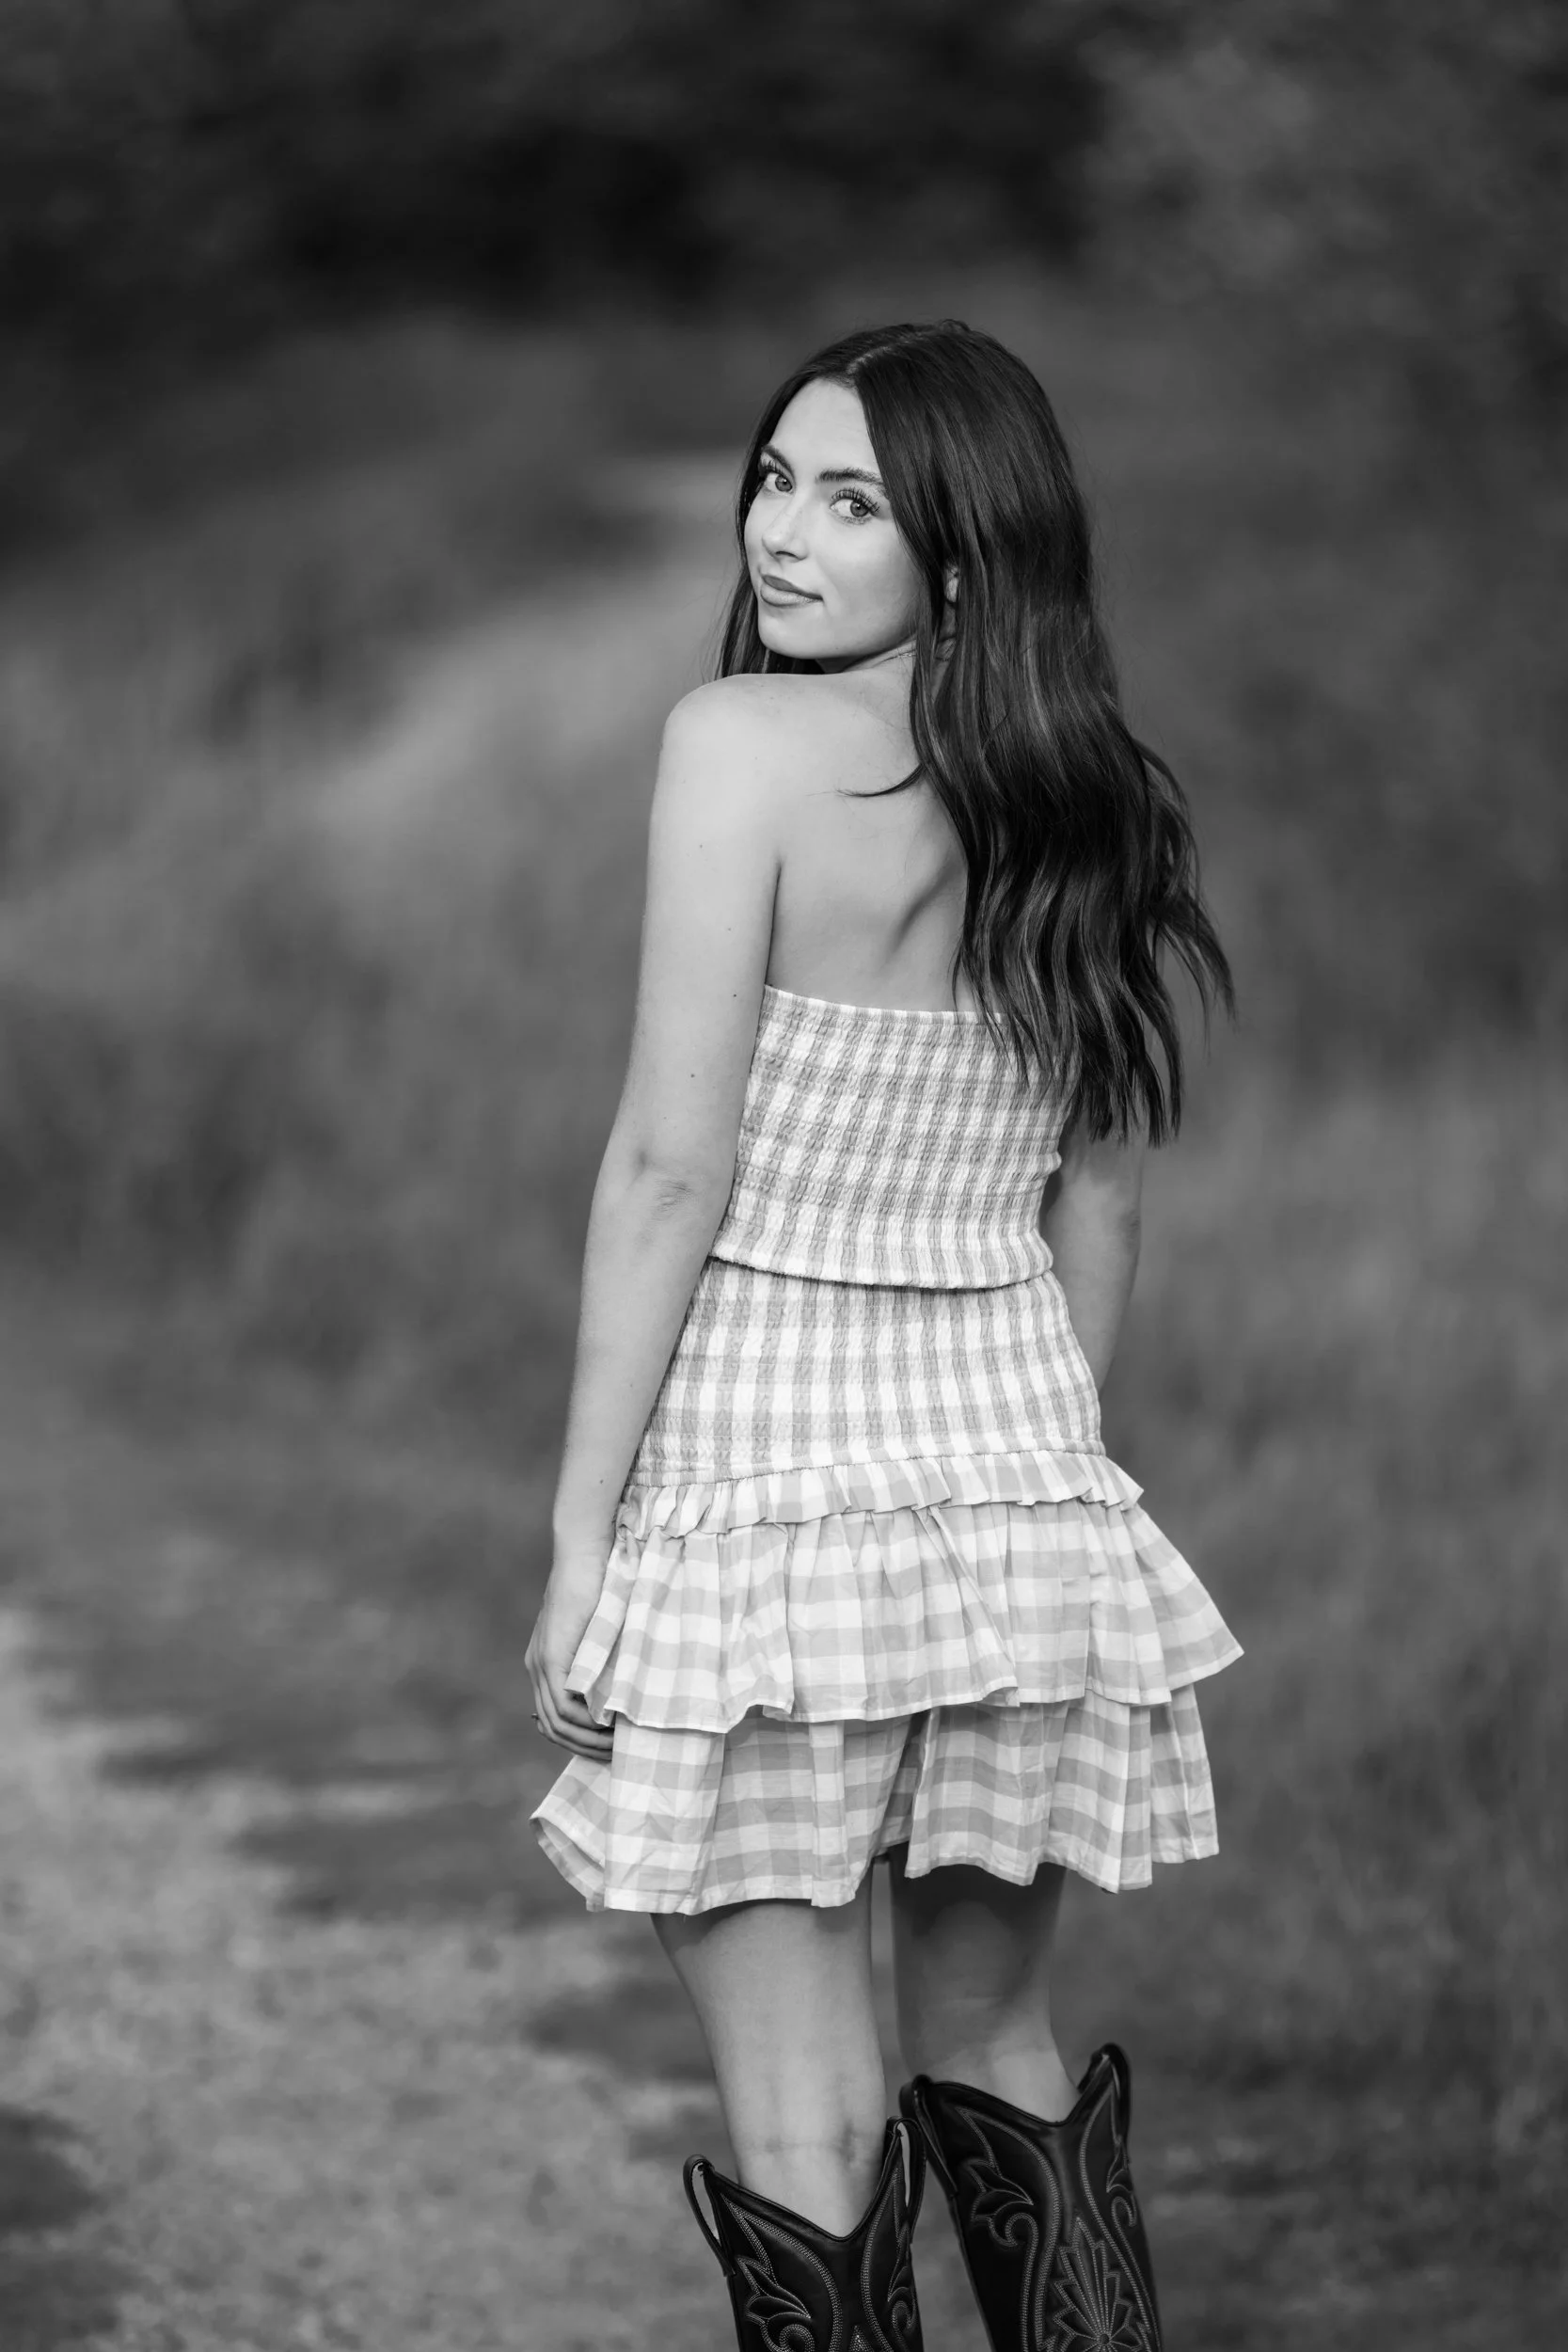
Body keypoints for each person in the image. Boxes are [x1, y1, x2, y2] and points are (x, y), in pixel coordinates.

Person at [527, 319, 1240, 2352]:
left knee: (806, 2114)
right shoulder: (1090, 796)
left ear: (963, 542)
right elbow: (1097, 1198)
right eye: (776, 478)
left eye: (853, 501)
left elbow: (671, 1165)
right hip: (1014, 1482)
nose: (783, 532)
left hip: (759, 1476)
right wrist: (1044, 1478)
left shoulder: (738, 744)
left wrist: (579, 1531)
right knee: (997, 2038)